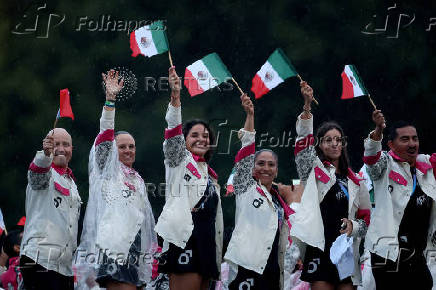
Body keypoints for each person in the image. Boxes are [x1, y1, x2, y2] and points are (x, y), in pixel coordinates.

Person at [76, 69, 157, 290]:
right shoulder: (106, 171)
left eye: (132, 146)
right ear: (113, 150)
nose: (129, 150)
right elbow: (104, 140)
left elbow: (145, 221)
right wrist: (110, 101)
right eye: (122, 147)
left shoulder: (138, 179)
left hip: (135, 249)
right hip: (112, 249)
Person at [290, 81, 371, 290]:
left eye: (338, 140)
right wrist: (307, 106)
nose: (334, 144)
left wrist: (354, 227)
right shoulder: (313, 170)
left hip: (346, 252)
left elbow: (366, 220)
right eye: (328, 140)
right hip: (319, 248)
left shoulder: (355, 181)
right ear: (320, 144)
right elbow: (302, 145)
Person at [154, 66, 224, 290]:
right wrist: (175, 97)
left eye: (205, 135)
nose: (201, 139)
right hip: (184, 241)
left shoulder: (211, 176)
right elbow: (172, 130)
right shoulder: (178, 161)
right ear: (183, 140)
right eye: (194, 135)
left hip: (206, 246)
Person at [223, 93, 301, 290]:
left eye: (271, 165)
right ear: (252, 168)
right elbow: (246, 150)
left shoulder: (279, 203)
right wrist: (250, 116)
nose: (265, 168)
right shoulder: (245, 189)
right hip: (247, 267)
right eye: (260, 163)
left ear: (276, 170)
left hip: (273, 269)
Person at [363, 110, 436, 290]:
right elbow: (371, 157)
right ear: (391, 144)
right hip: (387, 253)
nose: (412, 144)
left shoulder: (427, 166)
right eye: (405, 139)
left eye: (415, 138)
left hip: (417, 254)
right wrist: (378, 130)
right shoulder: (384, 165)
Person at [19, 127, 81, 290]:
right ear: (47, 146)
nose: (61, 149)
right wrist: (45, 155)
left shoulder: (71, 183)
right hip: (39, 259)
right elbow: (37, 176)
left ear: (72, 149)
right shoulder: (44, 171)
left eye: (66, 144)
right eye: (56, 144)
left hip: (64, 266)